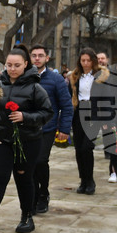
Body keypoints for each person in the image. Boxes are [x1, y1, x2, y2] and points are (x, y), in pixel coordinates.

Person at [0, 46, 53, 233]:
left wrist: (25, 117)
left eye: (17, 65)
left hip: (28, 141)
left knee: (24, 178)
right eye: (9, 65)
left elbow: (47, 112)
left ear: (25, 64)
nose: (12, 69)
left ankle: (27, 217)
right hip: (1, 139)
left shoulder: (36, 88)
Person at [29, 45, 72, 214]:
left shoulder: (56, 79)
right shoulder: (25, 77)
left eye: (40, 55)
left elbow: (66, 105)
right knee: (29, 164)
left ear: (47, 58)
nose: (37, 58)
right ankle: (32, 197)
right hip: (27, 127)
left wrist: (65, 129)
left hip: (47, 127)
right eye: (34, 55)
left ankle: (43, 193)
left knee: (40, 161)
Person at [68, 48, 110, 195]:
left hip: (94, 112)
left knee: (87, 147)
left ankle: (90, 180)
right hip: (79, 111)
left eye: (88, 60)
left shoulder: (101, 76)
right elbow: (70, 95)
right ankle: (83, 180)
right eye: (83, 60)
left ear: (93, 61)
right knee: (78, 148)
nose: (85, 63)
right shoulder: (75, 76)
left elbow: (106, 98)